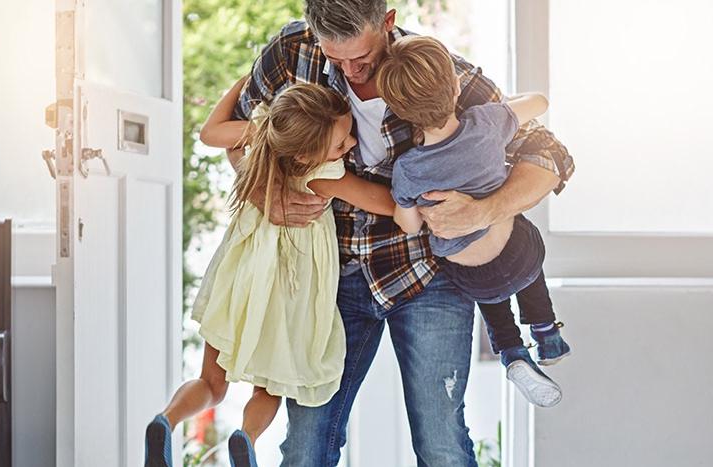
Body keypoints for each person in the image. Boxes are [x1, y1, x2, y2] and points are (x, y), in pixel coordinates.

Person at [225, 0, 576, 465]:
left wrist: (485, 210)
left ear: (387, 23)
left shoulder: (436, 72)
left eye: (362, 58)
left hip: (428, 275)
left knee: (441, 439)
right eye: (336, 59)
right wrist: (261, 192)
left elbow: (551, 153)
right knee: (307, 441)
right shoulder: (293, 52)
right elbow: (244, 135)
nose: (350, 71)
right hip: (330, 276)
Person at [144, 82, 395, 467]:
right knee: (269, 388)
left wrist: (238, 86)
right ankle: (246, 437)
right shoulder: (322, 174)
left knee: (212, 383)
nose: (349, 145)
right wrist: (420, 202)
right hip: (284, 293)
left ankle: (166, 420)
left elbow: (210, 133)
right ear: (306, 154)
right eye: (341, 143)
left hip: (238, 281)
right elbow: (379, 200)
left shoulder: (263, 132)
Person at [379, 35, 572, 408]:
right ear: (455, 87)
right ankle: (546, 331)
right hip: (518, 258)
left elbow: (408, 226)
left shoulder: (407, 170)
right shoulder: (487, 122)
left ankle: (512, 350)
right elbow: (540, 102)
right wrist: (506, 105)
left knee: (482, 281)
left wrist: (414, 205)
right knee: (521, 238)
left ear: (400, 112)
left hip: (472, 279)